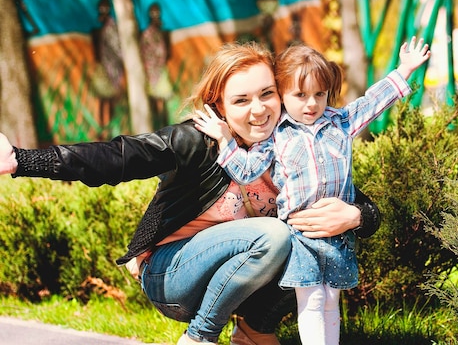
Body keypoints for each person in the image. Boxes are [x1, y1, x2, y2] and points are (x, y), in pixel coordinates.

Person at [0, 41, 381, 345]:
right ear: (218, 106)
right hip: (174, 275)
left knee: (314, 238)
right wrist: (21, 160)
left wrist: (359, 216)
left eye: (267, 94)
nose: (259, 110)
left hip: (243, 275)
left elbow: (343, 193)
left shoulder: (293, 142)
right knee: (277, 233)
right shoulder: (193, 141)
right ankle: (200, 335)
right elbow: (117, 157)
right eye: (241, 100)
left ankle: (253, 329)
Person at [193, 36, 431, 344]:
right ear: (282, 93)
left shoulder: (340, 122)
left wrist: (405, 69)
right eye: (300, 94)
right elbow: (247, 169)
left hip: (338, 235)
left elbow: (373, 101)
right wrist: (225, 142)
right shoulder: (277, 135)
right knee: (312, 300)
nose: (311, 103)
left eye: (320, 94)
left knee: (331, 299)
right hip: (300, 236)